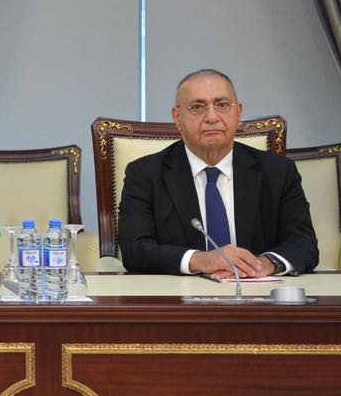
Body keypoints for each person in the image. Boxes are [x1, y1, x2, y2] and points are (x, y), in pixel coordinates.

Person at [118, 68, 317, 277]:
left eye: (222, 105)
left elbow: (304, 243)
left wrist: (263, 264)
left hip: (257, 290)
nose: (212, 117)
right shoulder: (145, 174)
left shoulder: (278, 172)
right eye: (197, 107)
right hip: (181, 293)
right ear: (178, 118)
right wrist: (202, 260)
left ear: (239, 113)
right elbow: (135, 250)